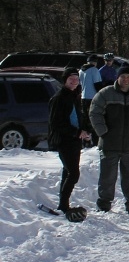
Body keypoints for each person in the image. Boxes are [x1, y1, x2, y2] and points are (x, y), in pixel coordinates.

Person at [89, 64, 129, 217]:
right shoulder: (105, 94)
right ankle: (104, 204)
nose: (126, 80)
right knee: (107, 177)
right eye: (123, 77)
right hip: (109, 143)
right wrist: (102, 131)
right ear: (117, 78)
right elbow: (94, 112)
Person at [49, 67, 91, 222]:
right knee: (74, 173)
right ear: (65, 80)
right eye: (70, 79)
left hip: (74, 140)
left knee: (68, 172)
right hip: (63, 140)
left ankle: (62, 204)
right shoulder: (59, 98)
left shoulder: (74, 96)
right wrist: (76, 132)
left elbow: (78, 118)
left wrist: (84, 131)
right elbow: (56, 123)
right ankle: (64, 205)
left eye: (76, 79)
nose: (74, 82)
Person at [78, 54, 103, 146]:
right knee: (94, 119)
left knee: (85, 119)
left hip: (83, 97)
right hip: (93, 97)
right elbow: (97, 84)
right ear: (95, 62)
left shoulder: (81, 70)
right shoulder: (94, 70)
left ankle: (86, 141)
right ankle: (96, 141)